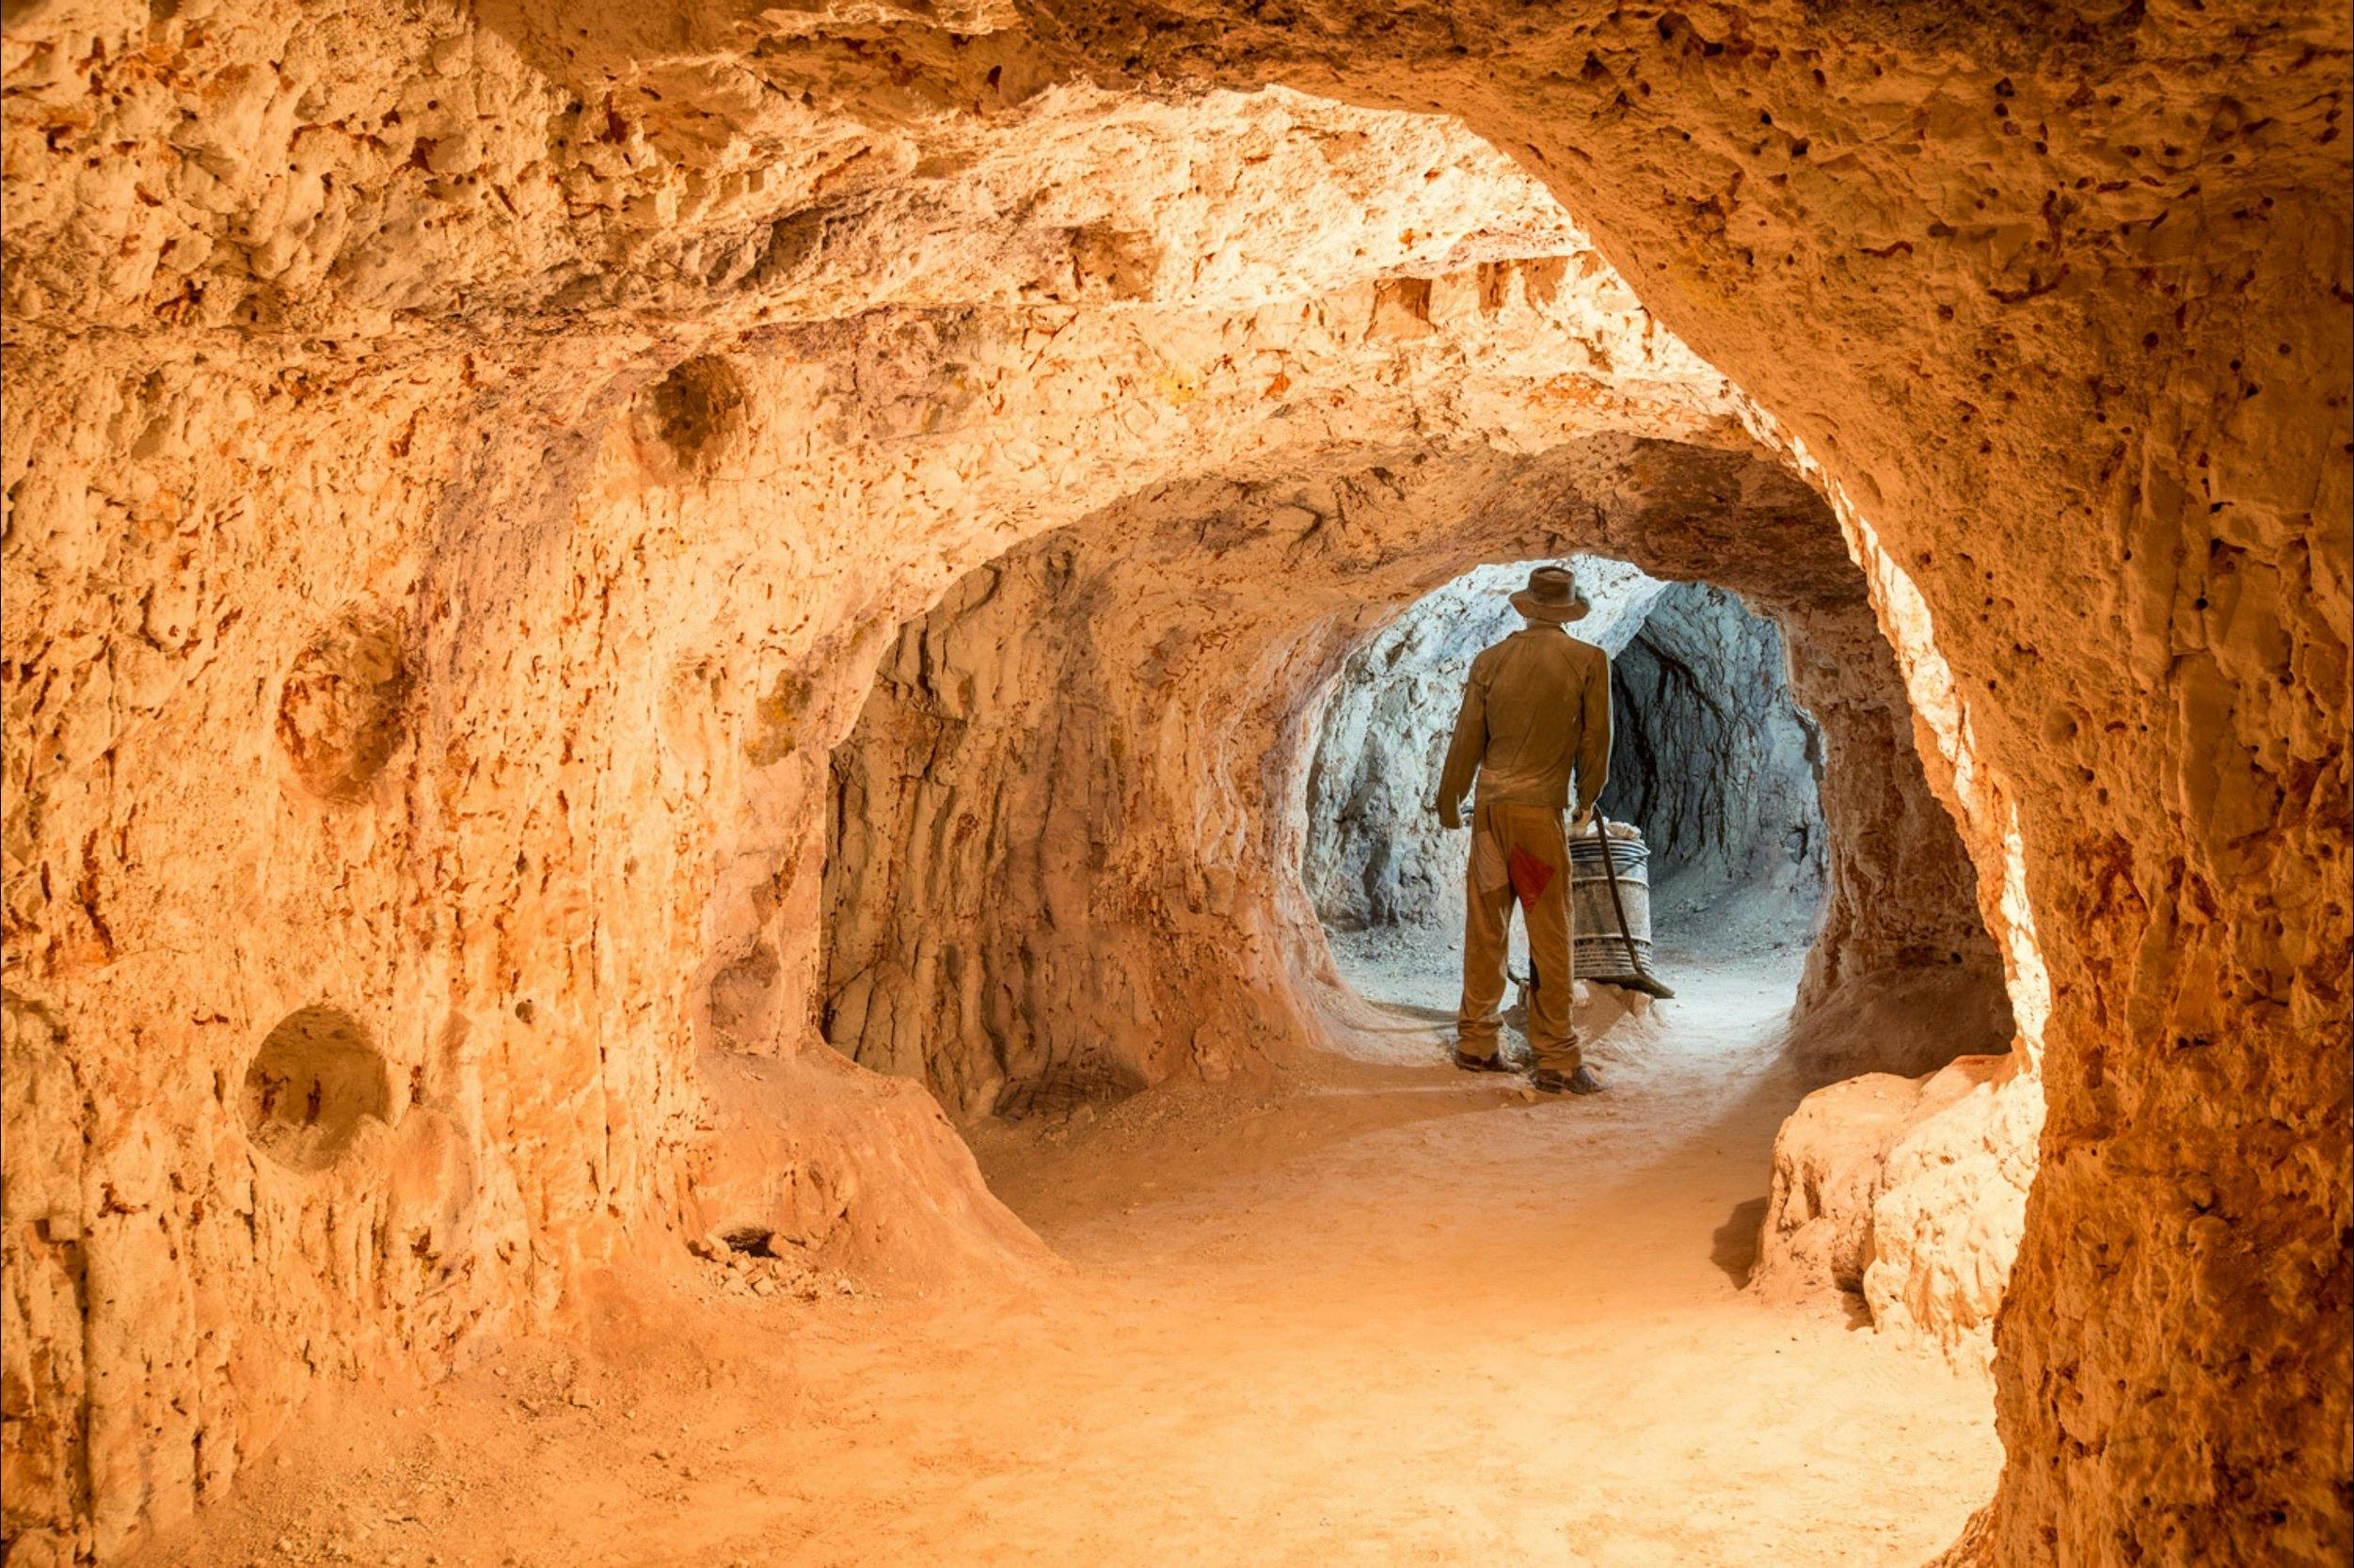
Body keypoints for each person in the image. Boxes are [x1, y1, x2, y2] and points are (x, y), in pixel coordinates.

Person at [1431, 564, 1612, 1095]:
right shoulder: (1586, 661)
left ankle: (1478, 1042)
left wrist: (1449, 800)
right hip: (1537, 819)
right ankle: (1555, 1056)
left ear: (1528, 607)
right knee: (1550, 931)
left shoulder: (1491, 660)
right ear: (1567, 612)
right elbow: (1597, 739)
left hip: (1489, 817)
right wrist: (1588, 796)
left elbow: (1467, 736)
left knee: (1487, 924)